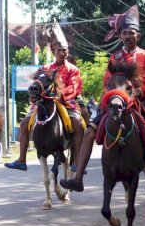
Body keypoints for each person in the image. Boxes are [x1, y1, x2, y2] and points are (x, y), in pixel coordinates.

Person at [60, 5, 145, 203]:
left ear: (138, 36)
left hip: (142, 102)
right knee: (90, 130)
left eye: (131, 33)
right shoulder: (115, 57)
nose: (128, 36)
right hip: (118, 100)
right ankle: (77, 177)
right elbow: (107, 82)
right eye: (124, 33)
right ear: (120, 36)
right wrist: (111, 96)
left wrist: (141, 91)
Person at [5, 19, 85, 172]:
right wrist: (34, 94)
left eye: (65, 50)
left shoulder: (73, 69)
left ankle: (77, 161)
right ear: (53, 50)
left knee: (79, 125)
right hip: (44, 102)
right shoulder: (45, 68)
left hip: (66, 102)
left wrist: (59, 95)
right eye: (59, 49)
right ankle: (22, 160)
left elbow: (74, 88)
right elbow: (36, 85)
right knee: (23, 125)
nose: (62, 52)